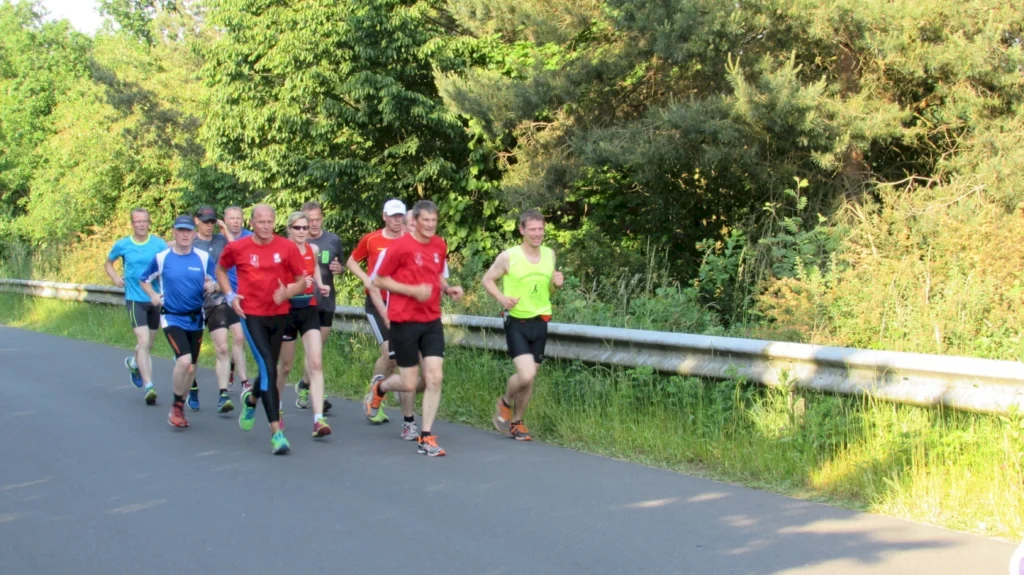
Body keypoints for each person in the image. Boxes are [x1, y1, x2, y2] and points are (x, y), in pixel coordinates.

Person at [363, 200, 464, 456]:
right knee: (409, 383)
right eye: (425, 221)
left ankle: (426, 436)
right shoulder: (399, 247)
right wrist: (412, 291)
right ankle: (380, 388)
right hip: (404, 321)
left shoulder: (440, 244)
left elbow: (435, 272)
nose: (430, 225)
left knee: (434, 377)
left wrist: (446, 288)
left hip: (431, 319)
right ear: (415, 221)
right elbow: (378, 280)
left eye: (434, 221)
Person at [216, 204, 307, 455]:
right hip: (250, 314)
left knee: (269, 367)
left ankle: (252, 399)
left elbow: (302, 280)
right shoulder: (238, 247)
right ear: (252, 223)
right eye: (261, 222)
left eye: (270, 222)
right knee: (268, 367)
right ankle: (276, 432)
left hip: (278, 314)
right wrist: (229, 294)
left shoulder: (286, 247)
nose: (266, 226)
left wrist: (288, 291)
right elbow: (220, 269)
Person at [481, 209, 564, 441]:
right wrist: (502, 299)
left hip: (540, 321)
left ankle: (517, 422)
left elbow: (547, 291)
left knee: (530, 377)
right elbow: (487, 280)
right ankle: (505, 401)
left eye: (541, 229)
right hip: (516, 320)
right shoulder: (509, 256)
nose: (537, 234)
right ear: (522, 230)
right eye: (532, 229)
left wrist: (556, 285)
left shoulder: (549, 254)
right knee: (525, 375)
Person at [140, 215, 215, 428]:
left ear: (193, 233)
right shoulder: (163, 258)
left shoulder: (202, 257)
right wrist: (153, 296)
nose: (184, 234)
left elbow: (217, 280)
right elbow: (144, 279)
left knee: (191, 367)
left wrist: (213, 286)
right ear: (174, 232)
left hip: (196, 318)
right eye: (180, 230)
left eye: (188, 231)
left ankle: (180, 406)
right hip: (172, 316)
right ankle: (175, 405)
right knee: (183, 360)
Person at [346, 199, 410, 429]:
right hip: (377, 302)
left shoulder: (409, 239)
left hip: (402, 304)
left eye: (400, 216)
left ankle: (386, 397)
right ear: (384, 216)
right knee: (391, 356)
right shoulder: (372, 239)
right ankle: (375, 398)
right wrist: (366, 279)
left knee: (400, 360)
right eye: (392, 216)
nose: (397, 220)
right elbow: (352, 261)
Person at [276, 211, 332, 438]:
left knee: (316, 363)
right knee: (286, 366)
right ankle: (276, 411)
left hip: (308, 309)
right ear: (289, 229)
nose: (302, 232)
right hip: (287, 311)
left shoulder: (313, 249)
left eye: (305, 228)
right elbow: (277, 283)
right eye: (297, 228)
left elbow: (315, 266)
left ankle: (319, 420)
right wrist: (296, 285)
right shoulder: (281, 251)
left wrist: (319, 283)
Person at [105, 208, 167, 405]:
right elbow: (108, 263)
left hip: (155, 299)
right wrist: (115, 278)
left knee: (147, 344)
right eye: (137, 222)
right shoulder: (123, 244)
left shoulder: (158, 244)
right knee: (143, 340)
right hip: (134, 298)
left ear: (149, 223)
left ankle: (133, 364)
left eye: (144, 221)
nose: (141, 225)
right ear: (132, 224)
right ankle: (149, 386)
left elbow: (169, 263)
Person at [293, 201, 342, 414]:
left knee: (317, 350)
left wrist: (339, 268)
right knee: (313, 352)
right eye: (308, 220)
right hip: (301, 303)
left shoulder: (333, 240)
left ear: (322, 218)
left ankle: (304, 385)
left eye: (316, 219)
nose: (313, 224)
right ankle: (315, 394)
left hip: (325, 301)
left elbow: (340, 265)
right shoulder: (294, 243)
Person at [191, 205, 239, 413]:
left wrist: (226, 231)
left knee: (222, 347)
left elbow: (239, 251)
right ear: (196, 221)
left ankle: (223, 394)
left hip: (217, 300)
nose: (209, 225)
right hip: (192, 303)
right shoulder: (189, 241)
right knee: (192, 355)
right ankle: (192, 386)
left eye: (212, 221)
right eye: (205, 221)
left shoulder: (222, 240)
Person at [223, 206, 251, 392]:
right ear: (225, 220)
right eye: (231, 218)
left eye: (238, 218)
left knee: (239, 339)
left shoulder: (250, 238)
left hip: (244, 295)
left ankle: (232, 368)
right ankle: (245, 382)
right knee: (238, 337)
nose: (235, 221)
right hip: (224, 294)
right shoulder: (219, 239)